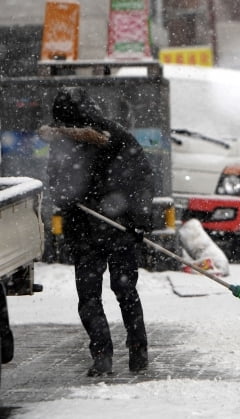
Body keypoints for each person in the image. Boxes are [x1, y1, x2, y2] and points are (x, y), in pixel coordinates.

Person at [40, 87, 155, 375]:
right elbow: (55, 182)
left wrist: (139, 220)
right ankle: (103, 355)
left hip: (119, 228)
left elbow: (141, 177)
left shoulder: (115, 138)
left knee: (122, 289)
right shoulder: (63, 143)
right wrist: (65, 197)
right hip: (85, 232)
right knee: (92, 296)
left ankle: (136, 351)